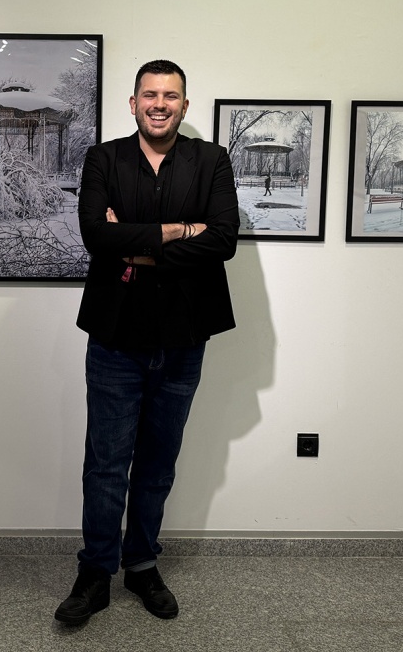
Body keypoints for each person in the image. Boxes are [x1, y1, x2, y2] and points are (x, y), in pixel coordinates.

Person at [55, 60, 238, 625]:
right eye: (150, 95)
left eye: (172, 96)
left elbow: (225, 239)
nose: (160, 104)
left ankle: (141, 566)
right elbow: (95, 235)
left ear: (185, 105)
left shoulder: (211, 160)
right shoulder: (104, 159)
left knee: (158, 463)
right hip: (116, 335)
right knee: (106, 463)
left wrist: (135, 242)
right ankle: (94, 574)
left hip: (185, 335)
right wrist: (183, 229)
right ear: (132, 103)